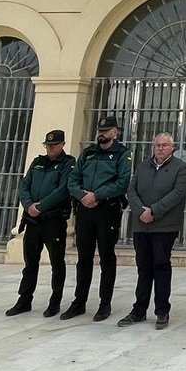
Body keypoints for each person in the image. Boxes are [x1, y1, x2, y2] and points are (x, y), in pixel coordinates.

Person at [61, 114, 133, 322]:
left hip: (107, 210)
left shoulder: (122, 154)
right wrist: (82, 196)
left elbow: (122, 182)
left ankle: (105, 303)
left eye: (105, 131)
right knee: (83, 258)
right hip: (85, 210)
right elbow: (73, 179)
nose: (101, 134)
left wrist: (97, 195)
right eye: (99, 131)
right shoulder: (88, 153)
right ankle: (79, 301)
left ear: (114, 132)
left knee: (106, 257)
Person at [119, 132, 186, 330]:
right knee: (143, 268)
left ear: (172, 148)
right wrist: (141, 211)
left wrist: (154, 211)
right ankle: (139, 310)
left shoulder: (180, 168)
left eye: (164, 145)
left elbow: (178, 193)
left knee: (161, 266)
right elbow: (131, 190)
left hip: (164, 226)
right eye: (157, 145)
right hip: (142, 225)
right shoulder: (143, 166)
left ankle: (162, 311)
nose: (160, 148)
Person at [6, 129, 74, 317]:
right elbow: (24, 186)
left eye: (53, 145)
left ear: (62, 145)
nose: (50, 148)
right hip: (32, 221)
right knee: (30, 263)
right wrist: (28, 206)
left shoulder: (68, 163)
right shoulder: (38, 162)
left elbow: (63, 190)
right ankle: (24, 300)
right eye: (48, 145)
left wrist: (41, 206)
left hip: (53, 221)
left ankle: (55, 301)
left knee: (56, 263)